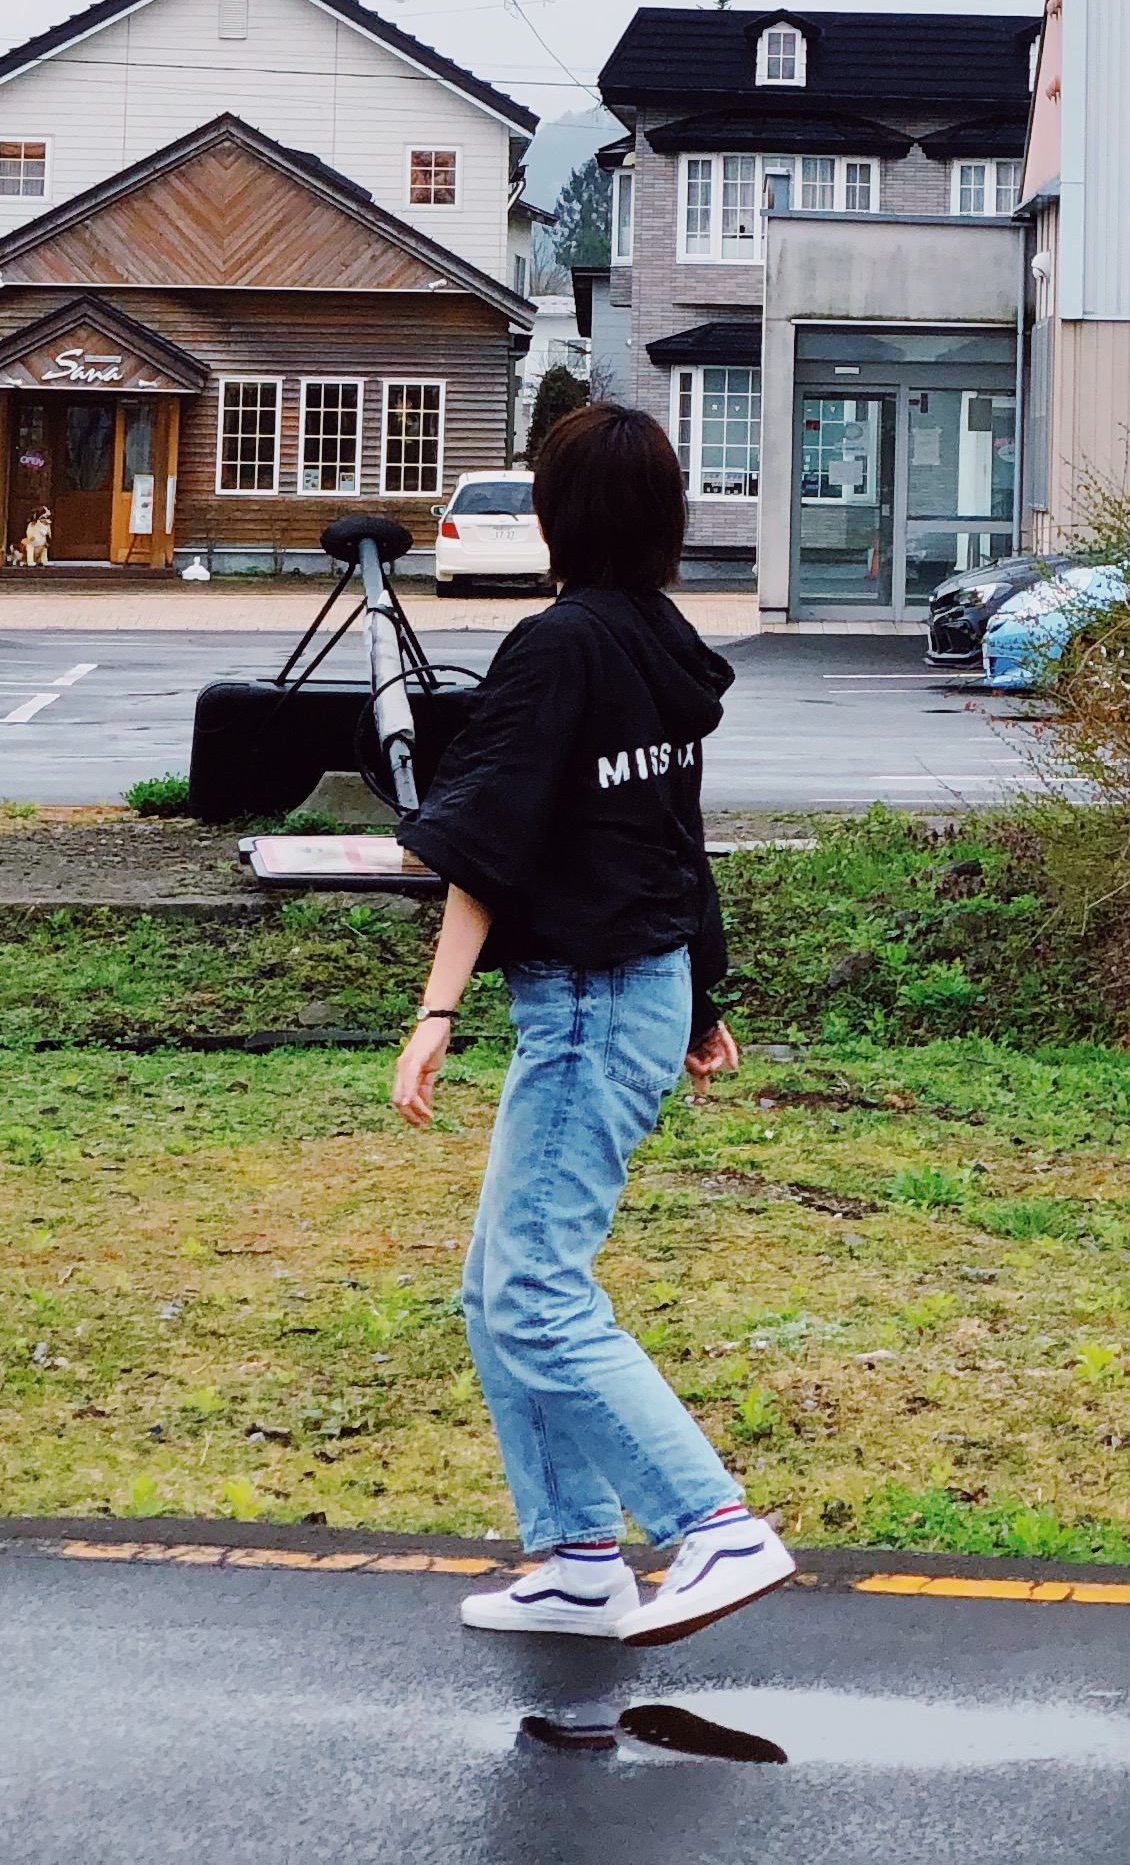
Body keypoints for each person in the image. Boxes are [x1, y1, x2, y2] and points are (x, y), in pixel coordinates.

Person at [389, 398, 793, 1645]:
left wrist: (436, 1007)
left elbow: (486, 839)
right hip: (639, 982)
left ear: (558, 516)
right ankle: (574, 1558)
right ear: (665, 518)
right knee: (496, 1288)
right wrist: (701, 997)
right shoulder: (658, 640)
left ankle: (714, 1526)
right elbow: (669, 834)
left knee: (534, 1292)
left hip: (583, 997)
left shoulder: (559, 646)